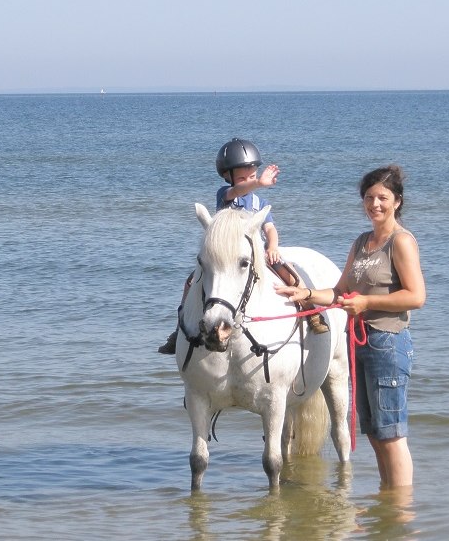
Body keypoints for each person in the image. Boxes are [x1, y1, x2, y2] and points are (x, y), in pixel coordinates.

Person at [276, 164, 426, 488]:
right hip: (358, 341)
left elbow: (416, 296)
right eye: (369, 197)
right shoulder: (362, 242)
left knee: (392, 434)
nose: (375, 204)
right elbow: (341, 290)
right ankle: (386, 504)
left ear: (397, 201)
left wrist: (367, 303)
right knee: (374, 432)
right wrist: (307, 293)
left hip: (388, 341)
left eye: (383, 198)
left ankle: (400, 514)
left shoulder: (401, 242)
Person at [158, 138, 326, 355]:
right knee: (191, 283)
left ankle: (311, 313)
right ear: (228, 177)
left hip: (257, 253)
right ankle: (179, 328)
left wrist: (272, 247)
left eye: (252, 176)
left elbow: (270, 229)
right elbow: (237, 192)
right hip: (227, 256)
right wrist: (258, 183)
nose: (248, 181)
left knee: (292, 276)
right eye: (242, 178)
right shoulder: (226, 195)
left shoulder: (260, 204)